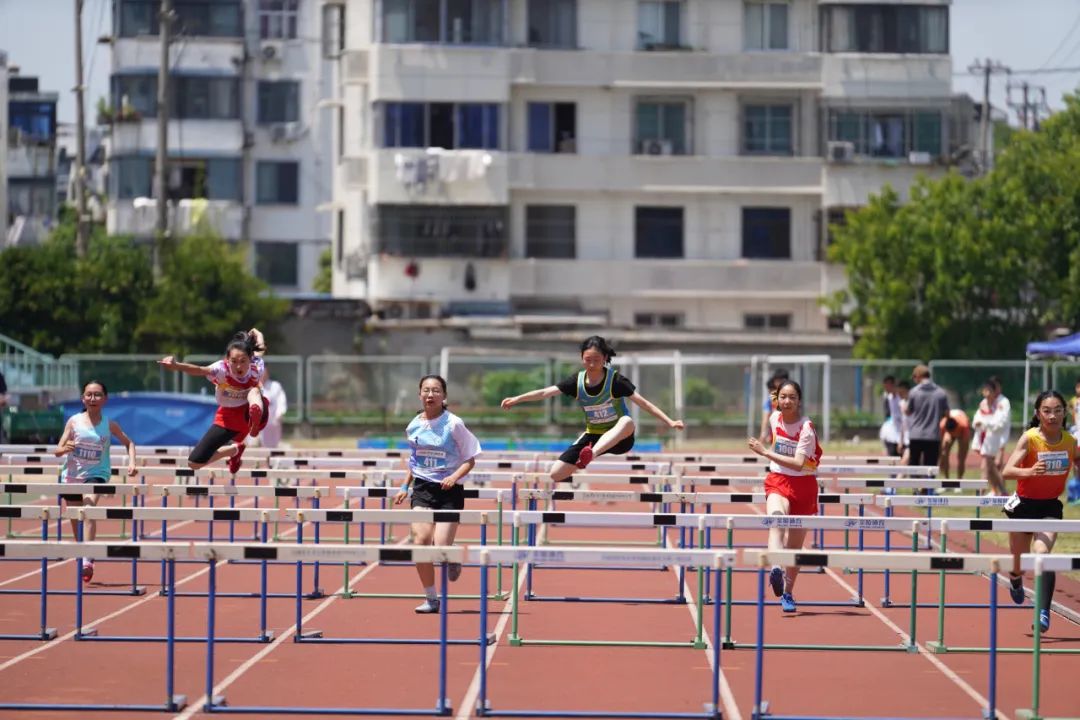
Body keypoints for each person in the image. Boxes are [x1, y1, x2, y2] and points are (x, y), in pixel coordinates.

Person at [500, 336, 684, 482]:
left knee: (627, 421)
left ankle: (591, 455)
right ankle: (588, 454)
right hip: (594, 435)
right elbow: (545, 392)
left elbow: (644, 403)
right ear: (581, 358)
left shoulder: (615, 380)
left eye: (596, 359)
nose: (592, 364)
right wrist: (517, 399)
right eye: (588, 359)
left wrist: (670, 421)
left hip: (620, 438)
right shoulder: (577, 381)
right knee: (556, 474)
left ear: (605, 359)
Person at [394, 375, 481, 614]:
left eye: (435, 390)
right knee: (420, 542)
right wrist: (404, 487)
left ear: (444, 396)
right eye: (426, 390)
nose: (430, 395)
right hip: (422, 488)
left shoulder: (454, 424)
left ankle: (451, 557)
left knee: (440, 547)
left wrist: (454, 477)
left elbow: (470, 459)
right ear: (420, 394)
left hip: (449, 490)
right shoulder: (413, 425)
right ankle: (431, 598)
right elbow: (414, 461)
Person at [1001, 390, 1079, 633]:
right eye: (1047, 410)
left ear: (1065, 412)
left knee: (1042, 555)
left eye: (1057, 410)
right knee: (1019, 565)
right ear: (1038, 413)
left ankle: (1043, 611)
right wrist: (1029, 472)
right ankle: (1015, 579)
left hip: (1049, 507)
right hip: (1024, 506)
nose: (1052, 415)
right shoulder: (1030, 438)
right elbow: (1007, 471)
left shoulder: (1070, 442)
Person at [747, 380, 822, 614]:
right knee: (776, 521)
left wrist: (765, 452)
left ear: (799, 401)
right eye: (783, 397)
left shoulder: (806, 428)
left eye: (792, 397)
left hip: (804, 485)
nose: (787, 401)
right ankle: (776, 567)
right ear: (777, 400)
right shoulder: (773, 418)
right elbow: (772, 404)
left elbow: (800, 465)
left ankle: (787, 592)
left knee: (795, 546)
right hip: (778, 480)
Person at [52, 381, 137, 582]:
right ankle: (81, 552)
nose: (92, 398)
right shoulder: (73, 421)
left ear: (105, 399)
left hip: (97, 473)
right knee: (75, 516)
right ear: (83, 398)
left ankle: (87, 558)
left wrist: (132, 463)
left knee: (88, 509)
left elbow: (129, 442)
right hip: (71, 475)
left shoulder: (109, 424)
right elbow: (57, 450)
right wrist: (65, 449)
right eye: (89, 395)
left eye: (97, 395)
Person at [158, 329, 269, 473]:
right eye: (234, 362)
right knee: (193, 463)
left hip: (249, 413)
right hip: (227, 417)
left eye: (243, 361)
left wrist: (259, 334)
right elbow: (199, 370)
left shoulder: (256, 367)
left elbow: (260, 350)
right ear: (227, 360)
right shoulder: (220, 369)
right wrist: (176, 365)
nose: (239, 366)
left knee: (254, 391)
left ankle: (255, 420)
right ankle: (234, 450)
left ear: (250, 359)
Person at [904, 365, 949, 476]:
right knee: (931, 466)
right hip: (933, 435)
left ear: (918, 376)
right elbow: (947, 413)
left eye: (914, 377)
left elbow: (908, 411)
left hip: (916, 434)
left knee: (914, 466)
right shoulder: (941, 393)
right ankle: (928, 491)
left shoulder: (914, 392)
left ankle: (915, 491)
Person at [971, 376, 1011, 496]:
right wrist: (978, 424)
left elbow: (1001, 423)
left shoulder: (1002, 402)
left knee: (989, 464)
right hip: (985, 437)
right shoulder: (985, 403)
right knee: (991, 466)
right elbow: (978, 417)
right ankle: (1001, 491)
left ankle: (982, 491)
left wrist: (985, 424)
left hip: (997, 438)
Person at [253, 370, 288, 449]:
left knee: (273, 446)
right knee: (255, 444)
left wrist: (280, 413)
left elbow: (281, 400)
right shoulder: (253, 386)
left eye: (264, 373)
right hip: (257, 421)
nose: (263, 376)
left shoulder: (275, 386)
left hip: (272, 421)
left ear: (267, 374)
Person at [759, 368, 790, 443]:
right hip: (777, 427)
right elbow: (766, 417)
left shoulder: (791, 393)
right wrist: (763, 434)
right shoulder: (773, 396)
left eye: (780, 381)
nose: (778, 383)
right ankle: (766, 436)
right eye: (777, 381)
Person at [938, 408, 971, 480]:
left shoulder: (964, 425)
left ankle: (959, 480)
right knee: (944, 454)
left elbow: (965, 443)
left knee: (961, 457)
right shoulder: (943, 424)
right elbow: (940, 444)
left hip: (962, 430)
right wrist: (941, 458)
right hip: (951, 428)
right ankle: (946, 480)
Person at [879, 375, 903, 457]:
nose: (885, 388)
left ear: (892, 384)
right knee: (891, 455)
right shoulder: (888, 397)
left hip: (903, 431)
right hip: (893, 431)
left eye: (887, 386)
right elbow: (888, 415)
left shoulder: (901, 397)